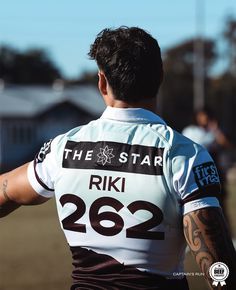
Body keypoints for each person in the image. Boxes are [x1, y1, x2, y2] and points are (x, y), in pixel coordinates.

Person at [0, 27, 235, 290]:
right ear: (160, 78)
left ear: (102, 82)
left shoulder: (63, 148)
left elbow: (6, 191)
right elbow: (221, 274)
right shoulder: (184, 154)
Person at [182, 108, 234, 224]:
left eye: (206, 116)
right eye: (201, 116)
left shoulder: (213, 131)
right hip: (194, 172)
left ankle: (226, 231)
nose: (204, 119)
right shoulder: (190, 131)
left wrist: (215, 129)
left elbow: (226, 144)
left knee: (220, 204)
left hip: (214, 173)